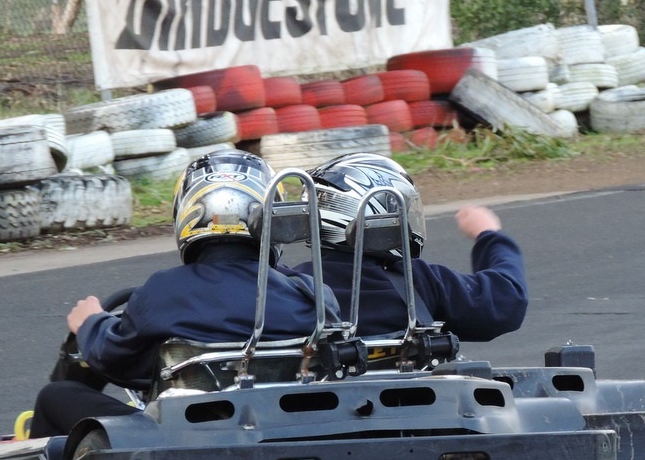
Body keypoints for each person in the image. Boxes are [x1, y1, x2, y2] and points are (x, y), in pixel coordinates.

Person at [29, 149, 341, 438]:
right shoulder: (312, 294)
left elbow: (114, 359)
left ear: (190, 213)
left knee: (54, 398)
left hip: (181, 438)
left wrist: (91, 323)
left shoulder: (163, 292)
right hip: (293, 430)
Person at [293, 152, 527, 343]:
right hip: (412, 398)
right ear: (381, 216)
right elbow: (506, 302)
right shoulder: (418, 281)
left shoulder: (295, 287)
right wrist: (489, 235)